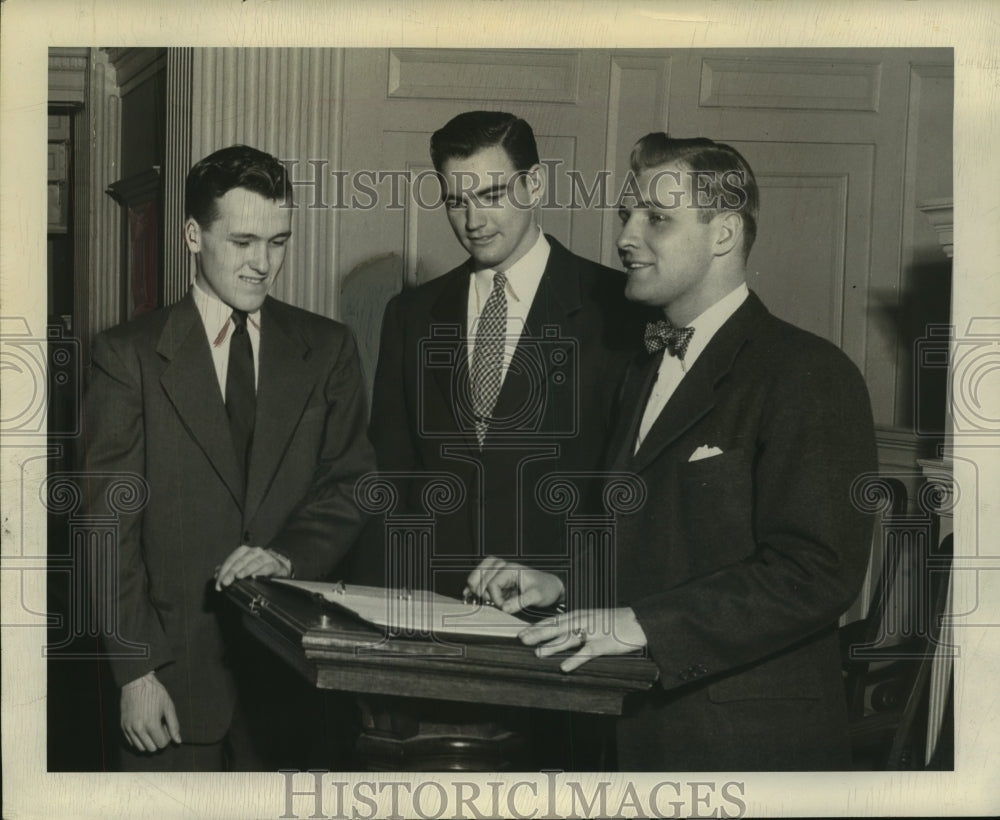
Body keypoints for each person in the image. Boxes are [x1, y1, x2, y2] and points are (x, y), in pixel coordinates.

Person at [466, 133, 878, 770]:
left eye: (656, 219)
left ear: (724, 233)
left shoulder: (808, 372)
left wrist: (642, 626)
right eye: (626, 215)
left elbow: (816, 572)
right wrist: (561, 585)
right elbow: (653, 544)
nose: (627, 237)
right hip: (633, 730)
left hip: (743, 746)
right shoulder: (644, 367)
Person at [364, 111, 647, 769]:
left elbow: (628, 484)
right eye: (456, 199)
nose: (472, 218)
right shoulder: (410, 314)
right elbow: (393, 478)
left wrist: (574, 586)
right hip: (438, 639)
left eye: (491, 195)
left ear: (535, 184)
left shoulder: (618, 307)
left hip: (570, 634)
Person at [82, 144, 374, 771]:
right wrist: (136, 673)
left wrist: (286, 553)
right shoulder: (126, 356)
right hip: (172, 689)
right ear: (193, 234)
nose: (262, 264)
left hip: (297, 683)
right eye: (242, 241)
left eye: (278, 241)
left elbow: (351, 483)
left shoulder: (328, 348)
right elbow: (107, 530)